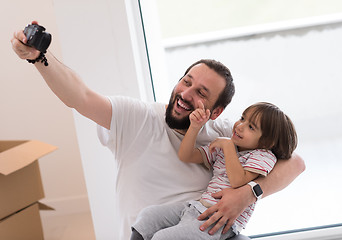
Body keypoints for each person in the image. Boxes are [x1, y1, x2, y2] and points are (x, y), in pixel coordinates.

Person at [11, 22, 305, 240]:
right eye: (186, 81)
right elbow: (81, 97)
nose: (186, 93)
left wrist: (247, 195)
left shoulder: (229, 134)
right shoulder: (137, 118)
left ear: (216, 112)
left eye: (201, 92)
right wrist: (39, 57)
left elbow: (295, 163)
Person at [131, 102, 297, 240]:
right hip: (196, 207)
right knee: (148, 216)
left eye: (251, 127)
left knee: (164, 238)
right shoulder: (226, 148)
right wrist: (194, 128)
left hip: (219, 222)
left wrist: (228, 146)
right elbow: (186, 155)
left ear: (267, 142)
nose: (239, 126)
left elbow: (238, 181)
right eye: (242, 118)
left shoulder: (263, 155)